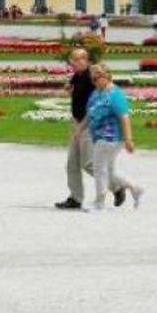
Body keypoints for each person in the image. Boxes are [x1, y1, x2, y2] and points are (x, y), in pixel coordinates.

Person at [55, 49, 125, 209]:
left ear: (86, 60)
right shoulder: (77, 75)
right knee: (72, 163)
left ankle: (117, 187)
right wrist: (69, 87)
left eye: (81, 59)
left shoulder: (90, 77)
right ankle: (75, 198)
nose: (78, 62)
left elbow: (100, 98)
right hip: (76, 123)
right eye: (75, 59)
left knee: (88, 163)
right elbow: (73, 86)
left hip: (88, 124)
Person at [77, 65, 143, 210]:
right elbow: (89, 114)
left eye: (96, 78)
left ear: (106, 76)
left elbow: (124, 118)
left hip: (110, 137)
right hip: (99, 137)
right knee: (110, 171)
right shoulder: (95, 94)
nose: (94, 82)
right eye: (92, 79)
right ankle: (136, 188)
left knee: (99, 168)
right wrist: (80, 130)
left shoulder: (115, 94)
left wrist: (128, 140)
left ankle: (99, 202)